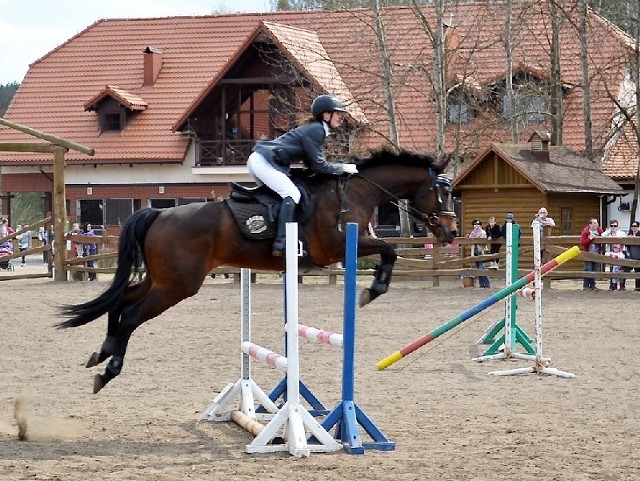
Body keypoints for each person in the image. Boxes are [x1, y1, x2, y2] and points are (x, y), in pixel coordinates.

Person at [247, 94, 358, 256]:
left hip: (263, 160)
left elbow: (312, 165)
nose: (341, 117)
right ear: (326, 115)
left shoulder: (316, 129)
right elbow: (319, 165)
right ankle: (281, 242)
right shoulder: (317, 130)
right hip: (264, 162)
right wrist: (343, 168)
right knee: (292, 194)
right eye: (338, 113)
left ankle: (269, 235)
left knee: (282, 196)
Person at [601, 219, 626, 289]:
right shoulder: (608, 233)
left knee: (621, 269)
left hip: (620, 253)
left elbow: (624, 242)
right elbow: (602, 235)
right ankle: (612, 285)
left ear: (617, 226)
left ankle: (622, 285)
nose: (613, 227)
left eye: (615, 226)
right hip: (611, 253)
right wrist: (609, 231)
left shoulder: (621, 233)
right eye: (612, 225)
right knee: (612, 269)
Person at [580, 218, 603, 291]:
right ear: (590, 224)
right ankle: (586, 285)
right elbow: (582, 242)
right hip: (588, 253)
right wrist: (589, 239)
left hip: (596, 253)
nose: (597, 224)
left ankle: (593, 285)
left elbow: (603, 238)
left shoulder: (599, 231)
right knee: (588, 269)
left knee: (595, 269)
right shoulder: (586, 232)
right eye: (595, 223)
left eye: (597, 223)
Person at [468, 219, 490, 288]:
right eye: (475, 224)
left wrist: (478, 240)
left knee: (481, 268)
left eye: (478, 224)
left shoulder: (482, 233)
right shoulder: (472, 233)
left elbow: (484, 242)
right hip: (474, 251)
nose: (476, 226)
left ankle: (486, 284)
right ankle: (481, 284)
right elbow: (469, 243)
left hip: (481, 251)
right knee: (478, 268)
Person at [627, 221, 640, 292]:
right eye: (632, 226)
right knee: (636, 271)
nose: (633, 227)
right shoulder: (629, 234)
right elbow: (627, 245)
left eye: (635, 226)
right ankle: (637, 286)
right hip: (633, 255)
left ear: (638, 227)